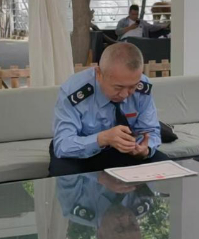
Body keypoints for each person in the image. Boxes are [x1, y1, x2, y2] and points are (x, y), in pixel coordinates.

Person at [49, 42, 169, 177]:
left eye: (132, 87)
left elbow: (151, 130)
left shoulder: (143, 87)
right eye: (118, 87)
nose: (125, 95)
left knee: (166, 167)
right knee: (64, 176)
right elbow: (63, 145)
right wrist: (103, 138)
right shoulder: (74, 91)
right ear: (99, 74)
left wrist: (145, 149)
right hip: (82, 153)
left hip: (124, 151)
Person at [57, 172, 158, 239]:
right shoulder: (141, 203)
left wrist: (99, 176)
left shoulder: (75, 206)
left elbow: (64, 168)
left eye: (119, 228)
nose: (125, 218)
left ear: (100, 236)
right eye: (133, 225)